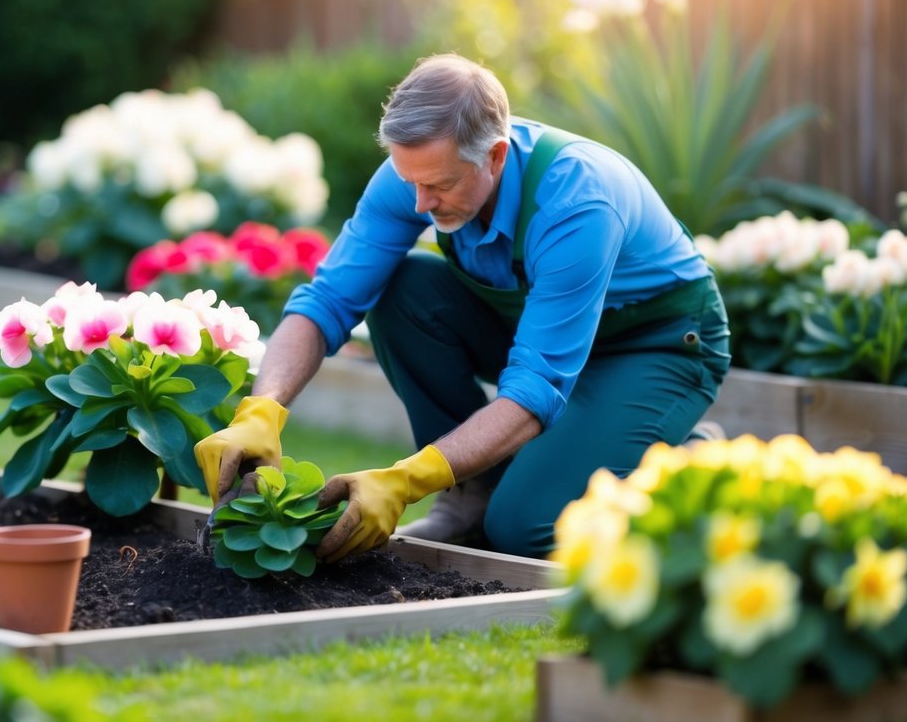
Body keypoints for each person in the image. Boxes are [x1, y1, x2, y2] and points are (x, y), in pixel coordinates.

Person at [195, 53, 730, 562]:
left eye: (440, 185)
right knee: (403, 292)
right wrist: (262, 409)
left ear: (494, 155)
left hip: (657, 345)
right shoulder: (418, 177)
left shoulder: (577, 201)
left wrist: (407, 480)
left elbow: (534, 386)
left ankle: (686, 466)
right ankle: (473, 494)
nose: (421, 204)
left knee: (527, 530)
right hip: (540, 328)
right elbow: (328, 299)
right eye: (411, 182)